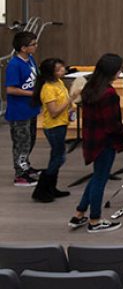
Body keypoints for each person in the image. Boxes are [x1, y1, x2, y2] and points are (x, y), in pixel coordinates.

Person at [70, 53, 123, 233]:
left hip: (92, 139)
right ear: (112, 72)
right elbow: (112, 126)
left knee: (97, 175)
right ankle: (95, 221)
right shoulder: (108, 94)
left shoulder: (91, 86)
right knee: (100, 179)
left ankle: (79, 214)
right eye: (120, 69)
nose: (121, 72)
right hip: (103, 142)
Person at [31, 57, 73, 204]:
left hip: (61, 124)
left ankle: (51, 188)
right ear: (51, 73)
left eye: (62, 67)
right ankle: (42, 189)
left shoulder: (59, 82)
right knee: (59, 157)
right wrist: (70, 100)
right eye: (59, 69)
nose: (63, 70)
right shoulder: (48, 88)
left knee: (56, 156)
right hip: (54, 127)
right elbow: (54, 111)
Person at [5, 30, 40, 186]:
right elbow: (10, 89)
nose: (36, 46)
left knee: (30, 139)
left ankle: (25, 166)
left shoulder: (31, 59)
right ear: (23, 48)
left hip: (30, 108)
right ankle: (20, 174)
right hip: (19, 111)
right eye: (33, 44)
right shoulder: (14, 64)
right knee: (21, 143)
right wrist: (31, 93)